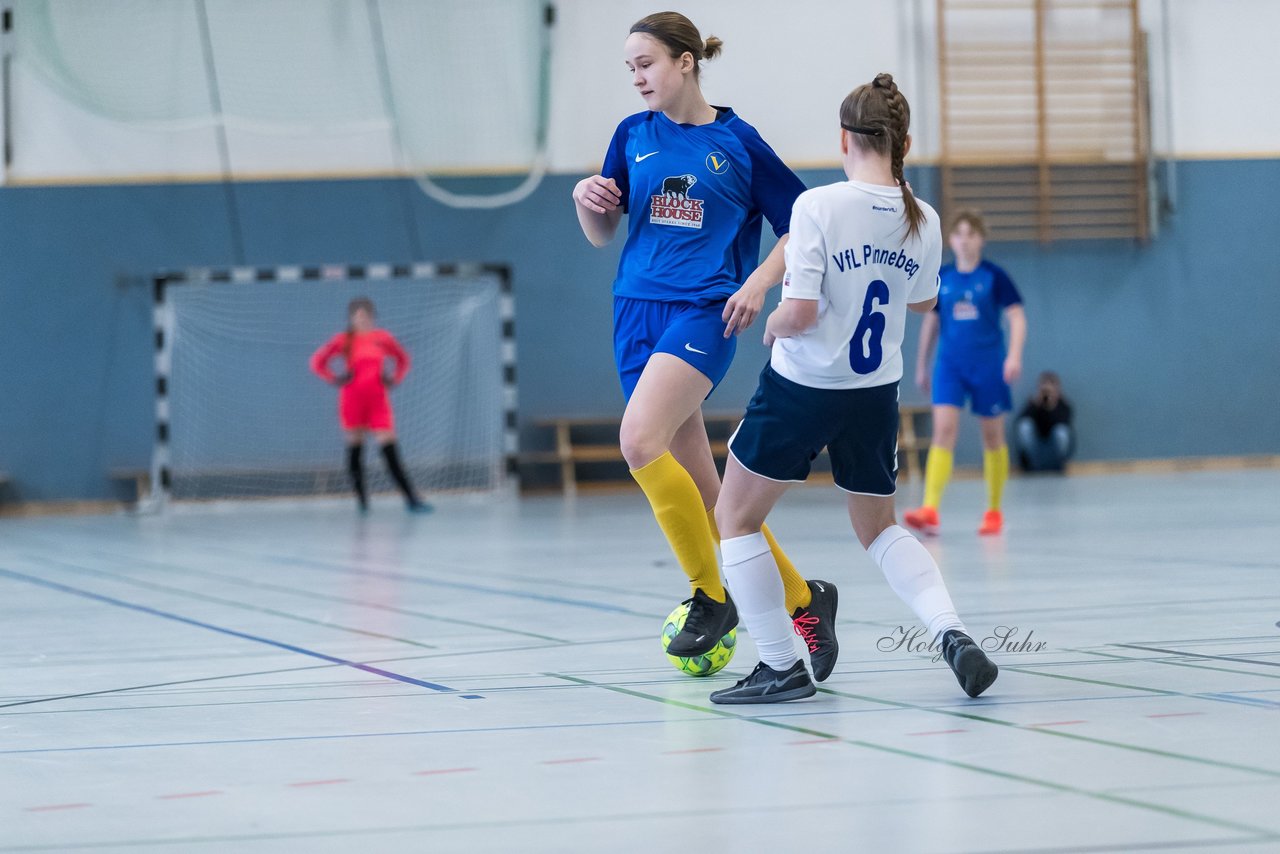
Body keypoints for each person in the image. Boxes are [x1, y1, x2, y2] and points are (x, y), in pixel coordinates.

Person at [709, 74, 999, 704]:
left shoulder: (818, 206)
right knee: (879, 528)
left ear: (844, 138)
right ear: (904, 142)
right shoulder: (924, 218)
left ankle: (782, 664)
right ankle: (951, 632)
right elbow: (923, 302)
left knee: (733, 518)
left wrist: (770, 320)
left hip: (804, 388)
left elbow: (803, 314)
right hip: (875, 394)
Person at [571, 11, 837, 672]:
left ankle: (708, 595)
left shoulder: (739, 143)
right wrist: (587, 201)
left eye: (647, 63)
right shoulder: (632, 136)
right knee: (711, 494)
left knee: (637, 442)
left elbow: (802, 228)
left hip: (702, 314)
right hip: (635, 313)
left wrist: (760, 283)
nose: (636, 77)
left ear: (686, 61)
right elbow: (602, 234)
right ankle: (806, 601)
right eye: (629, 67)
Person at [904, 208, 1026, 536]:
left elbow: (1016, 317)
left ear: (981, 239)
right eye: (958, 233)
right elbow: (931, 321)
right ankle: (930, 508)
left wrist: (1013, 356)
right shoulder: (943, 278)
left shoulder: (994, 276)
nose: (964, 240)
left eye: (971, 234)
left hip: (988, 365)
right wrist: (921, 366)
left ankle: (994, 510)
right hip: (949, 366)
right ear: (950, 240)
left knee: (992, 436)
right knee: (943, 430)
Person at [310, 297, 432, 514]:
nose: (362, 320)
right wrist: (334, 377)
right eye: (358, 317)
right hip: (352, 400)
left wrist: (395, 378)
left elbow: (403, 359)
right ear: (351, 319)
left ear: (372, 317)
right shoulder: (343, 340)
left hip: (378, 400)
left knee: (389, 448)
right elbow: (317, 362)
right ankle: (362, 500)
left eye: (366, 316)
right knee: (356, 449)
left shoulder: (382, 338)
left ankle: (411, 498)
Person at [1016, 371, 1073, 472]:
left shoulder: (1064, 406)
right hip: (1036, 448)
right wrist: (1037, 404)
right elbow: (1020, 422)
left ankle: (1057, 464)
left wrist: (1051, 406)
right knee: (1024, 426)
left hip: (1053, 449)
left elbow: (1064, 425)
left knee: (1062, 432)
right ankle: (1033, 465)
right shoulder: (1033, 404)